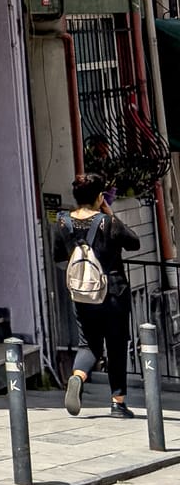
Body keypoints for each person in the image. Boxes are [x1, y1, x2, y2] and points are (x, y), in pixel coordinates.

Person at [53, 175, 140, 417]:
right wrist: (110, 213)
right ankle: (118, 402)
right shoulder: (107, 222)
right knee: (116, 345)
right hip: (113, 291)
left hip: (82, 293)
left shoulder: (62, 223)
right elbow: (134, 242)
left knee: (88, 343)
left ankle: (78, 376)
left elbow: (59, 258)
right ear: (99, 197)